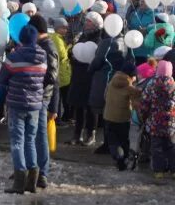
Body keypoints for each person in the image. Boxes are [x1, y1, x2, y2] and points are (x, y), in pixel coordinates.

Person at [0, 24, 47, 194]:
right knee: (30, 140)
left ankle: (19, 181)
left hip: (16, 104)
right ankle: (32, 179)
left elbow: (2, 78)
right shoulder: (43, 57)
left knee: (17, 141)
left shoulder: (14, 57)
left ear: (21, 39)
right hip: (35, 105)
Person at [88, 22, 135, 155]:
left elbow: (98, 60)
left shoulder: (106, 42)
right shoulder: (126, 42)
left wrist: (90, 70)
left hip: (105, 79)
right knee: (116, 112)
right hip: (122, 79)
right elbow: (131, 61)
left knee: (106, 112)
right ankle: (117, 144)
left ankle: (108, 144)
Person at [28, 14, 59, 189]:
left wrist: (31, 79)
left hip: (41, 98)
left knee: (40, 136)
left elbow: (53, 77)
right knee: (30, 135)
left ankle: (43, 173)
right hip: (36, 96)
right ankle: (28, 169)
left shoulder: (48, 47)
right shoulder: (40, 45)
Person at [67, 11, 102, 145]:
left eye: (89, 22)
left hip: (90, 76)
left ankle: (90, 134)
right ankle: (77, 134)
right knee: (78, 106)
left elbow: (97, 58)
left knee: (91, 107)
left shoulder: (99, 39)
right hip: (78, 74)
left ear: (95, 25)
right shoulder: (82, 36)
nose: (86, 24)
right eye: (86, 21)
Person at [138, 60, 175, 179]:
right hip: (171, 123)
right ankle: (174, 170)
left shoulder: (152, 85)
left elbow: (144, 103)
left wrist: (143, 116)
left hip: (155, 122)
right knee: (171, 146)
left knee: (156, 147)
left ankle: (159, 171)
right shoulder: (174, 85)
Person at [103, 61, 140, 171]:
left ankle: (117, 157)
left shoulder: (111, 81)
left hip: (108, 117)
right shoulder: (129, 87)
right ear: (131, 75)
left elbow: (105, 96)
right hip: (122, 119)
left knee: (113, 141)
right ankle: (123, 160)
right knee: (124, 140)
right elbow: (136, 102)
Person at [51, 18, 72, 122]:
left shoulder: (54, 37)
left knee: (58, 96)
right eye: (63, 28)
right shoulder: (57, 39)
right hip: (61, 72)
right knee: (58, 97)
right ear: (57, 28)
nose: (65, 30)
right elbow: (62, 55)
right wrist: (69, 47)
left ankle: (60, 117)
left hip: (60, 71)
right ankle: (58, 118)